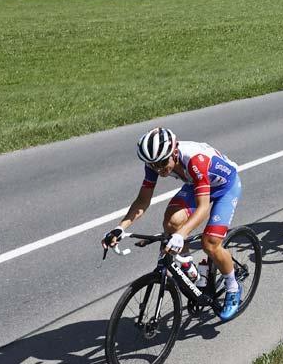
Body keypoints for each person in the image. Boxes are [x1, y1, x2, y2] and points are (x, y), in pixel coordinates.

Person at [103, 128, 245, 320]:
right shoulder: (156, 163)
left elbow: (203, 208)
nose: (159, 170)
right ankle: (189, 267)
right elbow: (142, 200)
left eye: (162, 164)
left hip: (225, 186)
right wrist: (121, 227)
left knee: (210, 243)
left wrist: (181, 235)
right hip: (197, 184)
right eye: (153, 166)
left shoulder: (195, 160)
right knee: (172, 221)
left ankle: (233, 286)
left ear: (175, 152)